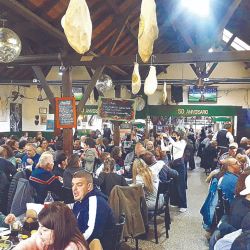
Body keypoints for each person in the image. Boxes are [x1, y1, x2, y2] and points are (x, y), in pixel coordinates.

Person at [13, 202, 89, 250]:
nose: (39, 232)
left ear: (60, 229)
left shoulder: (72, 247)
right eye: (39, 227)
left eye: (45, 230)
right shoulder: (54, 238)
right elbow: (31, 241)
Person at [72, 171, 115, 244]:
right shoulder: (79, 201)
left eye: (79, 185)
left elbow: (92, 233)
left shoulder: (95, 201)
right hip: (83, 241)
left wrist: (73, 243)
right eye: (73, 185)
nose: (74, 189)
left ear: (89, 186)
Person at [168, 131, 187, 212]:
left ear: (179, 136)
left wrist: (169, 138)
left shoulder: (183, 142)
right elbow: (163, 148)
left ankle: (183, 205)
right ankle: (175, 202)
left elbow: (179, 147)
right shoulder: (173, 143)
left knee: (180, 185)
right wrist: (162, 140)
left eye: (174, 135)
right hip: (173, 165)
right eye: (172, 135)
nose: (173, 137)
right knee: (174, 184)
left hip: (180, 165)